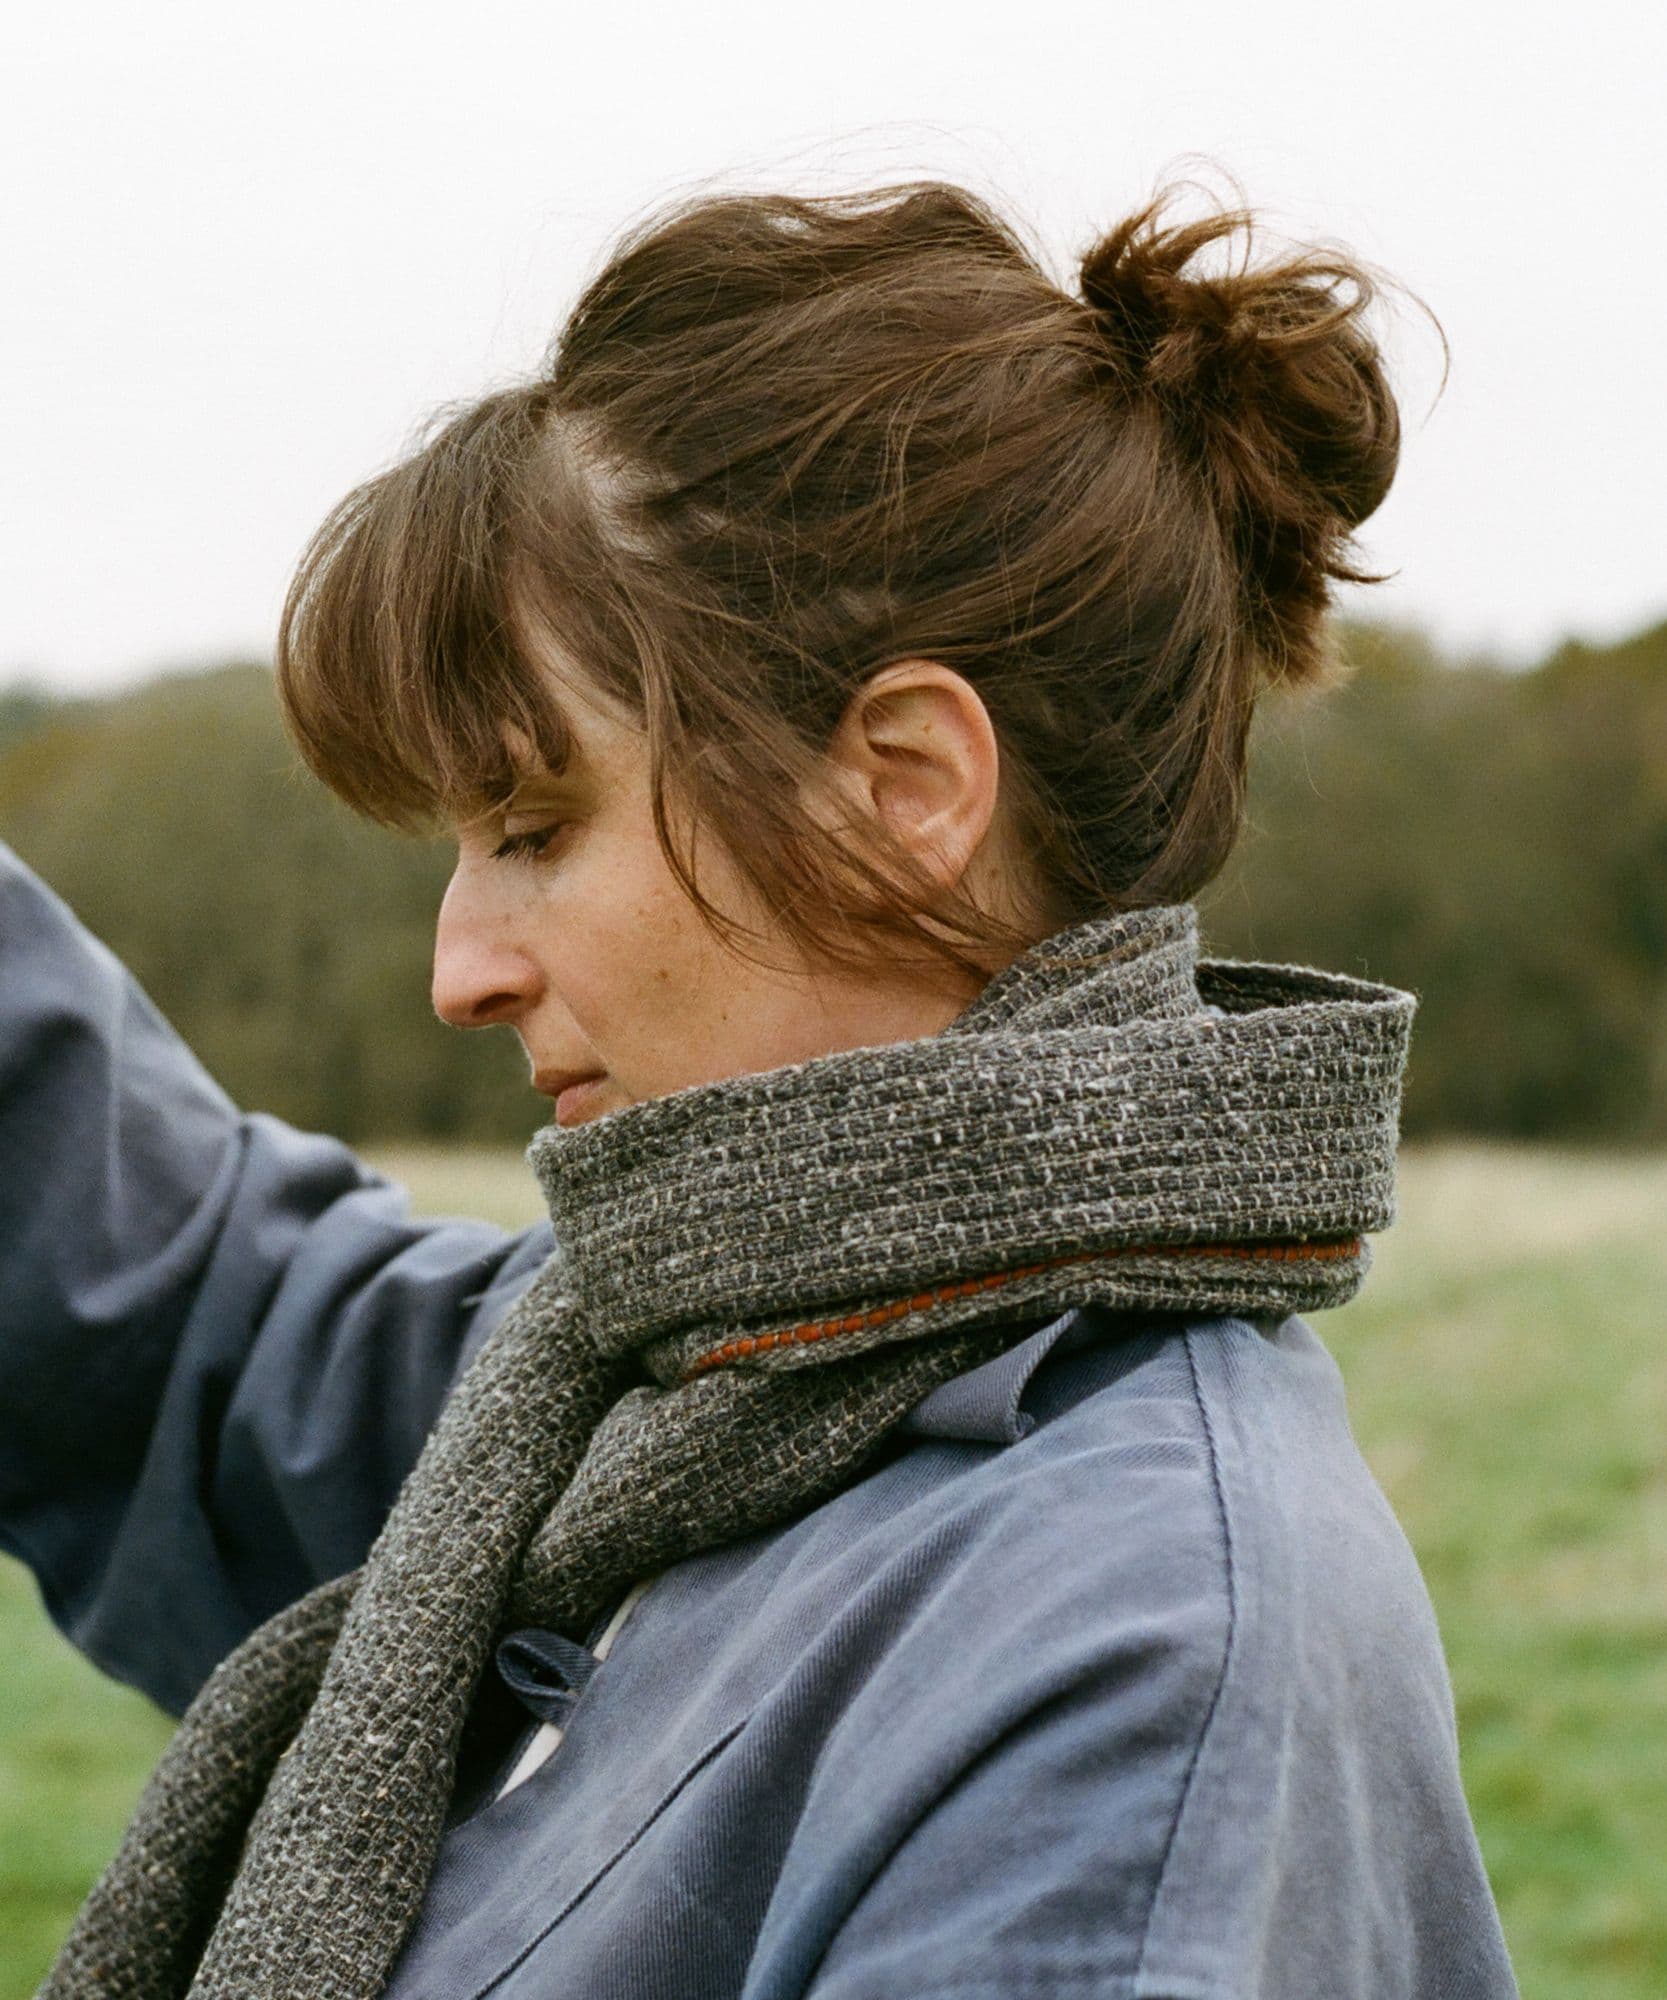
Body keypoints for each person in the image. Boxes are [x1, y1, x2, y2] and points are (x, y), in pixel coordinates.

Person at [2, 179, 1519, 1998]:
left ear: (901, 784)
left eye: (534, 827)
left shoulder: (1134, 1660)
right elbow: (192, 1324)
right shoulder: (676, 1373)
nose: (456, 968)